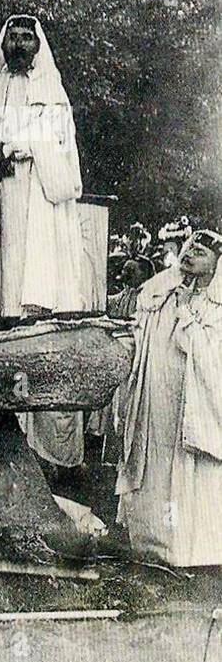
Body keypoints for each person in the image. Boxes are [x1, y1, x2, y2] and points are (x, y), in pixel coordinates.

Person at [116, 229, 222, 566]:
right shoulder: (167, 292)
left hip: (195, 406)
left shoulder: (216, 308)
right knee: (158, 469)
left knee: (190, 476)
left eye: (202, 252)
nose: (191, 254)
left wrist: (191, 327)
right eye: (190, 247)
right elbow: (143, 314)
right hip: (161, 399)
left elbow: (213, 361)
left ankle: (191, 549)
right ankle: (154, 542)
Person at [0, 14, 85, 316]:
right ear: (3, 42)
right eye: (13, 37)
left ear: (37, 44)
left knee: (29, 248)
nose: (19, 44)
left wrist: (10, 148)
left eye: (26, 37)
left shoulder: (49, 87)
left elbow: (54, 133)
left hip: (33, 179)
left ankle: (27, 312)